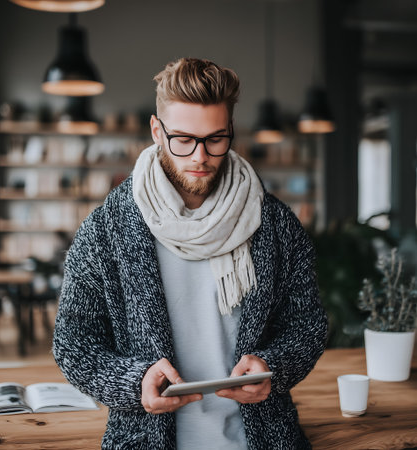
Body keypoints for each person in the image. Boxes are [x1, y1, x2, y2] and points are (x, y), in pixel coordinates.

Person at [53, 57, 328, 450]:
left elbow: (308, 326)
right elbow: (73, 343)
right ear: (156, 131)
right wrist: (135, 382)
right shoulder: (106, 230)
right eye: (183, 139)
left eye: (215, 138)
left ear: (230, 130)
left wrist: (274, 367)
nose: (200, 156)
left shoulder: (276, 225)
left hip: (262, 441)